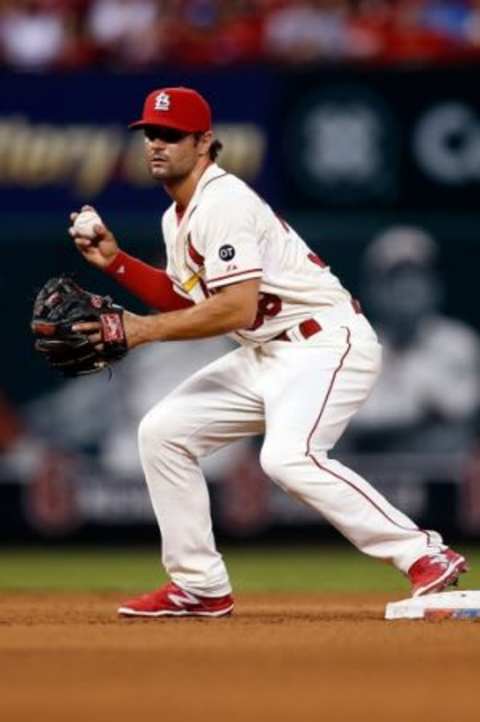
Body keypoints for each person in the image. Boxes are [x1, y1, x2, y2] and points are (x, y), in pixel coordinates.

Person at [69, 86, 468, 618]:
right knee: (162, 432)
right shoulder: (177, 217)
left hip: (324, 344)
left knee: (287, 457)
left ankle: (424, 553)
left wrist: (141, 331)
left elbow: (233, 309)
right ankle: (200, 584)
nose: (156, 145)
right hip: (267, 354)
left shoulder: (225, 202)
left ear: (204, 142)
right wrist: (117, 263)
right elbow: (190, 300)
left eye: (170, 135)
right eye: (149, 135)